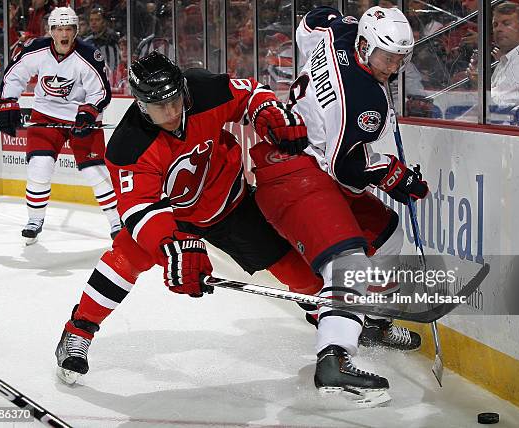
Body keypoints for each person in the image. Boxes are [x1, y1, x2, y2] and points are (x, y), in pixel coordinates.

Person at [54, 51, 324, 386]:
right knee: (124, 256)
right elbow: (140, 210)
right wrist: (172, 247)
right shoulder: (128, 146)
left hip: (228, 202)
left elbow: (250, 94)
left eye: (174, 100)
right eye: (158, 106)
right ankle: (77, 331)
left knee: (294, 268)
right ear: (140, 105)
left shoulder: (203, 89)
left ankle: (326, 316)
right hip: (171, 219)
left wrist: (265, 109)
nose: (169, 112)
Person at [249, 6, 427, 402]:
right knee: (349, 260)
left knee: (389, 234)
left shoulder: (338, 33)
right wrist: (391, 173)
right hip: (294, 171)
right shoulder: (365, 101)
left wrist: (338, 17)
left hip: (307, 161)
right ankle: (334, 359)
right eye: (386, 57)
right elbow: (345, 168)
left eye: (401, 58)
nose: (393, 67)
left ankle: (375, 323)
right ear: (365, 46)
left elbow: (310, 21)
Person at [0, 6, 121, 244]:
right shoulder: (36, 50)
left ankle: (116, 221)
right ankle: (35, 220)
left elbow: (101, 91)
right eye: (59, 28)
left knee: (95, 171)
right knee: (39, 167)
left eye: (69, 28)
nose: (64, 34)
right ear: (51, 31)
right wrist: (8, 104)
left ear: (75, 30)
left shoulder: (88, 55)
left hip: (81, 118)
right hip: (46, 116)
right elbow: (14, 76)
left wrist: (87, 114)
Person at [468, 2, 519, 107]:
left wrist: (480, 84)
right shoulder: (505, 59)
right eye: (495, 25)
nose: (498, 29)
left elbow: (507, 102)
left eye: (506, 23)